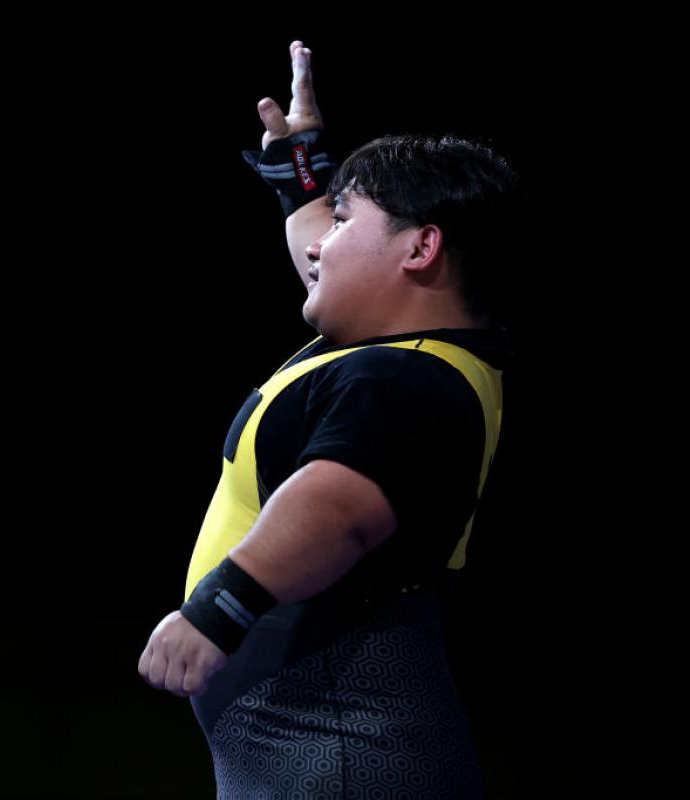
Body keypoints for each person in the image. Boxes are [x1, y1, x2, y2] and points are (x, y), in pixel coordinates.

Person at [137, 39, 522, 798]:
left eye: (346, 221)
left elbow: (336, 509)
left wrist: (217, 611)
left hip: (342, 748)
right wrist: (305, 172)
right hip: (322, 743)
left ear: (421, 248)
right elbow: (321, 249)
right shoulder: (409, 354)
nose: (322, 245)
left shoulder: (404, 380)